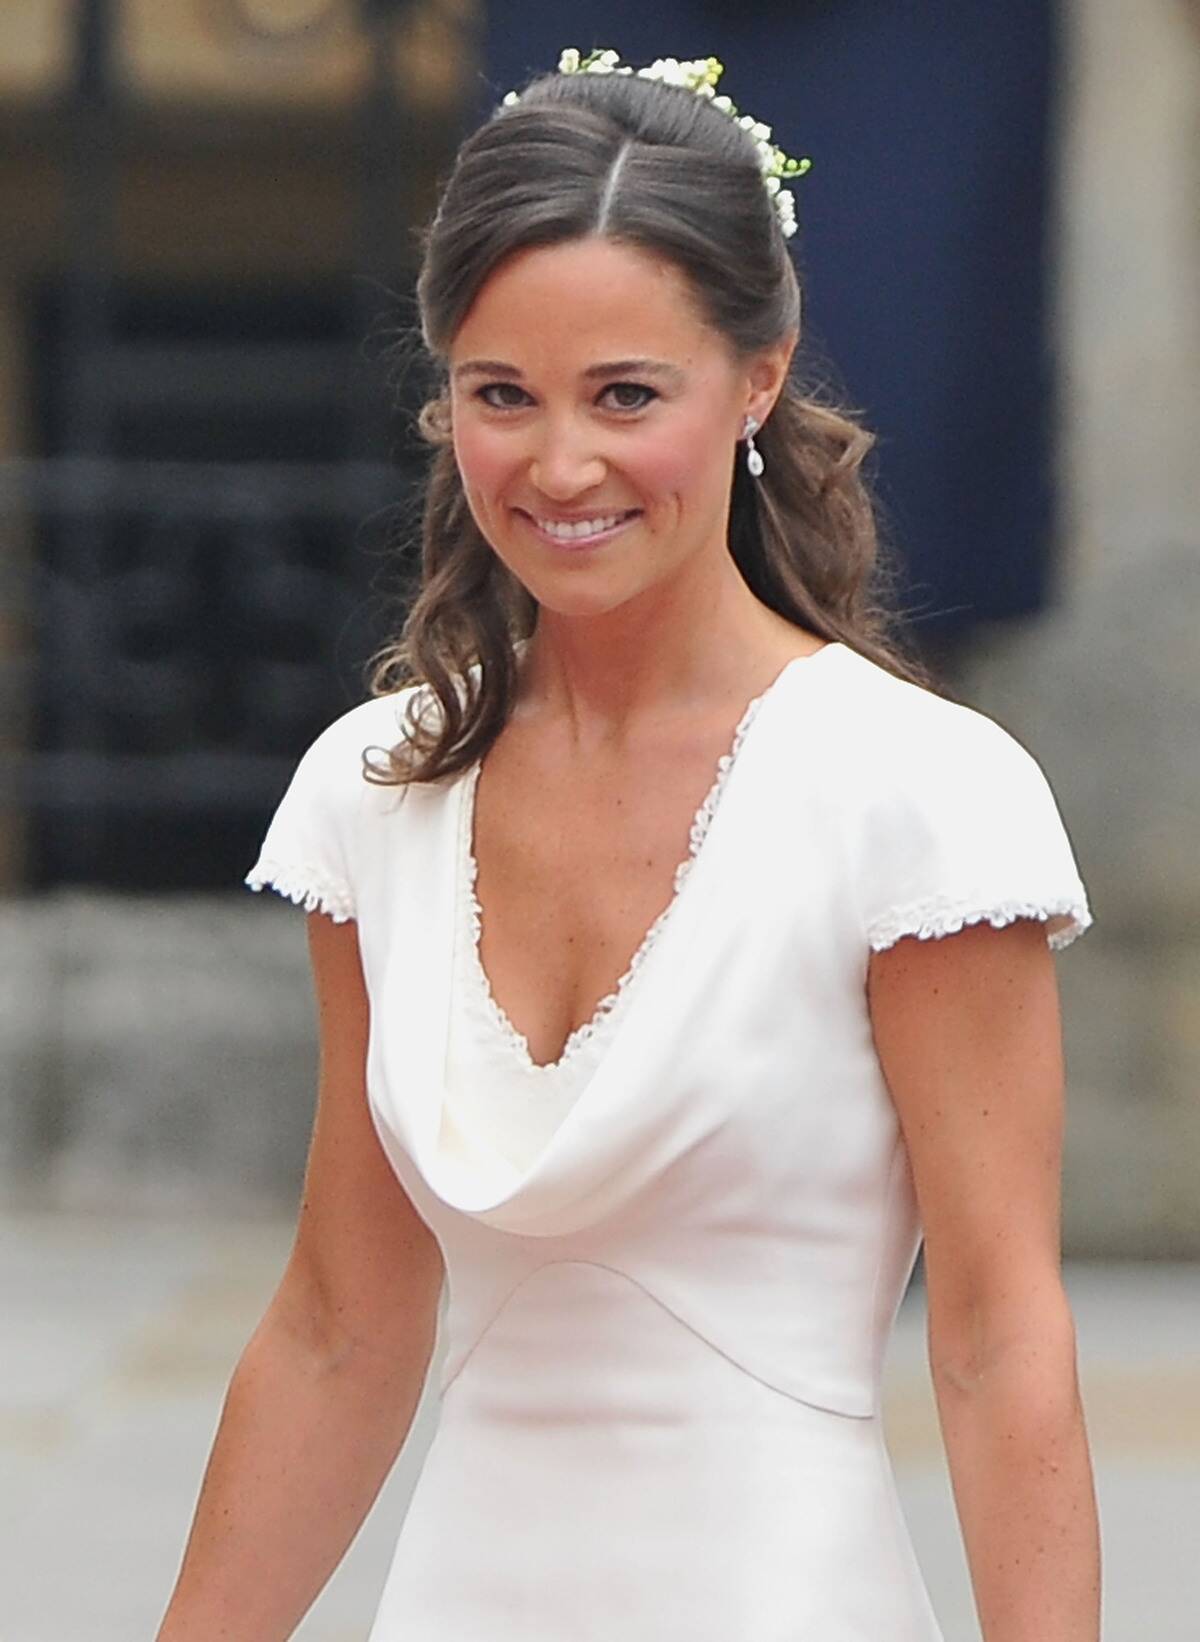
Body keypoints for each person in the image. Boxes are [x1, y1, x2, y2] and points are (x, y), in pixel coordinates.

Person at [157, 49, 1101, 1642]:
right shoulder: (371, 793)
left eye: (627, 394)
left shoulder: (922, 795)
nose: (562, 465)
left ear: (759, 376)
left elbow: (1001, 1338)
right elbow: (338, 1324)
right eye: (500, 394)